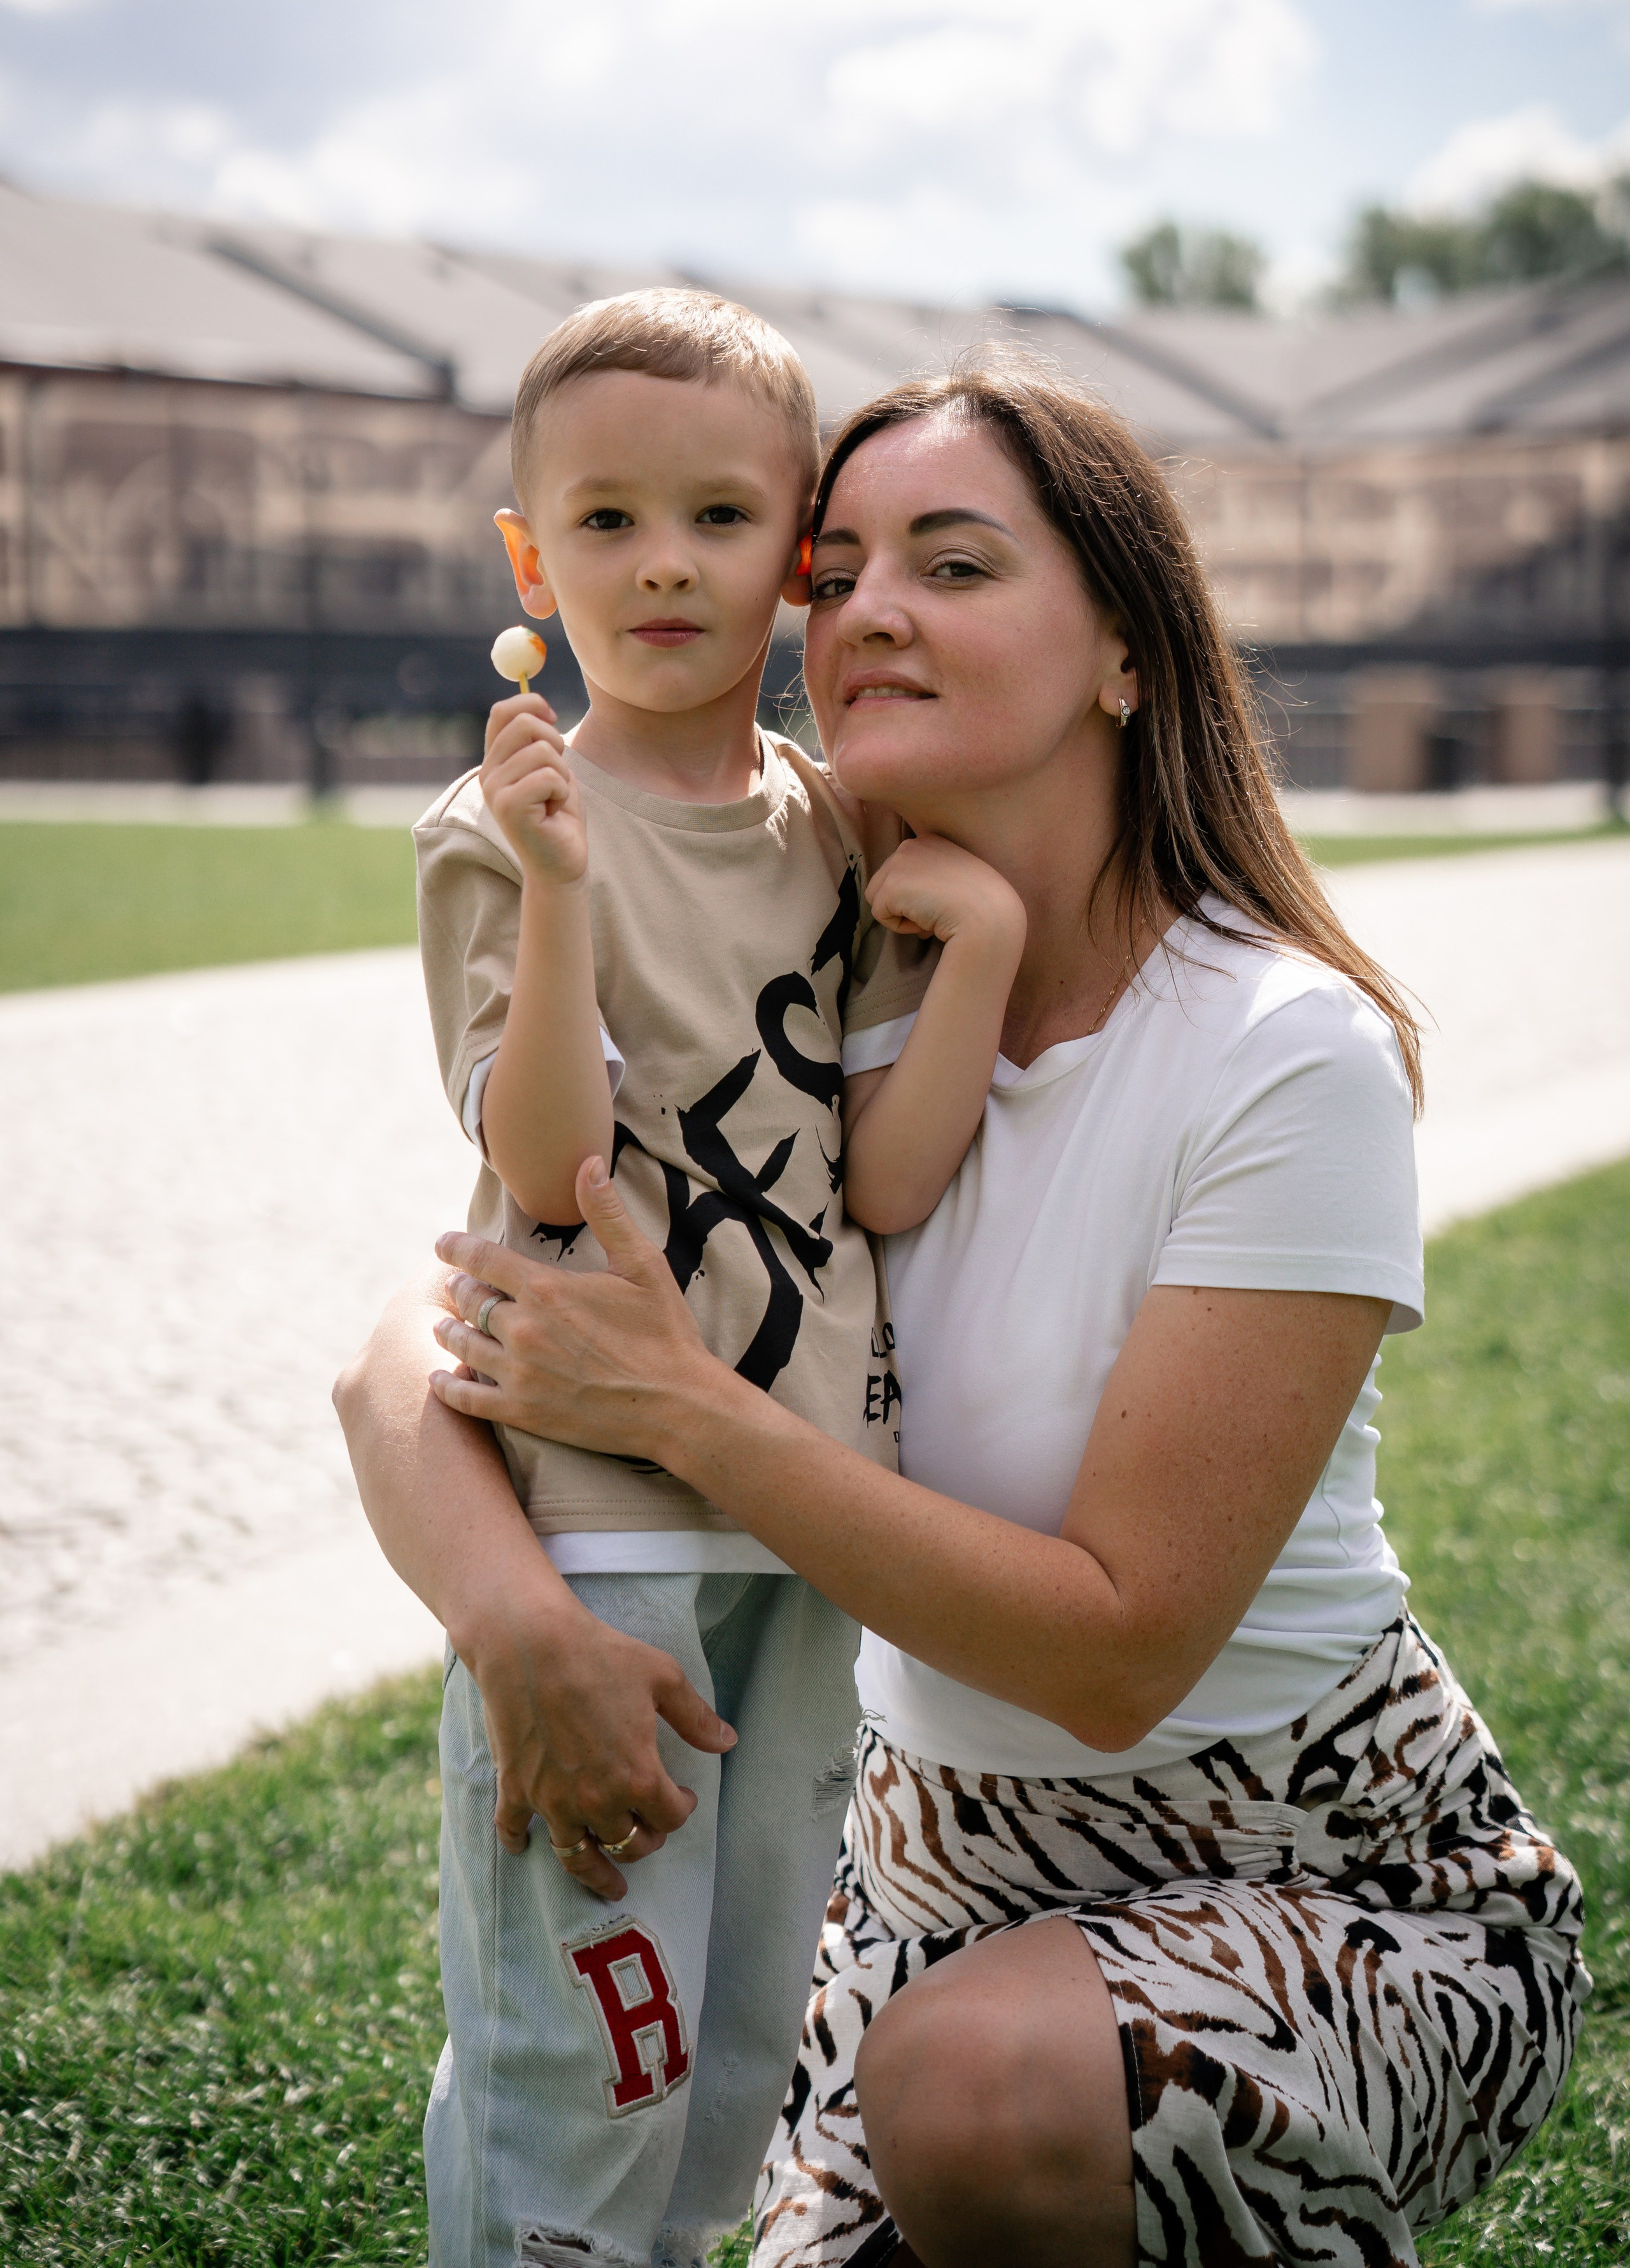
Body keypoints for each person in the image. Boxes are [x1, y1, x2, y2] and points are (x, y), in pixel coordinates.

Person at [337, 357, 1587, 2268]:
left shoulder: (1279, 1055)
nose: (868, 613)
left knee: (978, 2099)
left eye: (956, 562)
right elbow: (409, 1347)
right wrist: (519, 1622)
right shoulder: (843, 985)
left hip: (1325, 1870)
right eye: (836, 571)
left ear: (1125, 653)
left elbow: (1115, 1653)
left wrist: (689, 1416)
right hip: (926, 1877)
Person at [398, 288, 1028, 2268]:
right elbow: (549, 1160)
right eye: (604, 523)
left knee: (751, 2046)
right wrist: (572, 890)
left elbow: (890, 1179)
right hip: (602, 1529)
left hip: (805, 1516)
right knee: (585, 2049)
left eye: (718, 520)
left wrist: (981, 956)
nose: (662, 562)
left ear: (793, 560)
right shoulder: (500, 832)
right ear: (531, 559)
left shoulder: (831, 828)